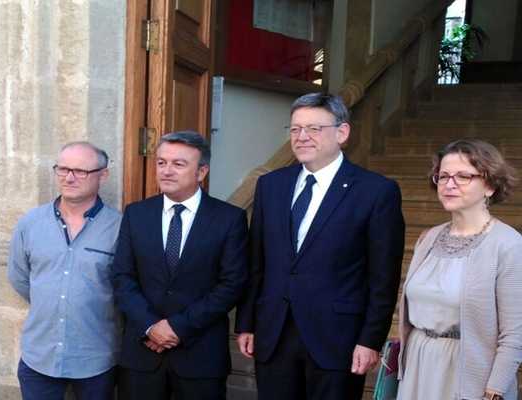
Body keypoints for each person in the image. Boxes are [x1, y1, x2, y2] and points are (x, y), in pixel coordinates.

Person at [235, 93, 405, 400]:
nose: (302, 137)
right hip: (274, 333)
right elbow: (257, 262)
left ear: (342, 132)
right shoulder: (271, 185)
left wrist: (370, 340)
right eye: (295, 129)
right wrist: (246, 323)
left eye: (314, 128)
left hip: (337, 338)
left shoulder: (376, 191)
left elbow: (383, 277)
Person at [112, 131, 248, 400]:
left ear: (201, 172)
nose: (166, 171)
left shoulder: (229, 219)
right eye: (161, 162)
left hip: (200, 355)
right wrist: (151, 326)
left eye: (178, 164)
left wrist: (177, 327)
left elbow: (232, 284)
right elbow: (122, 277)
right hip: (142, 354)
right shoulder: (136, 213)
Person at [397, 139, 522, 400]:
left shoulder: (508, 245)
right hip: (419, 366)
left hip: (468, 375)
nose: (449, 184)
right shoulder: (428, 238)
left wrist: (494, 392)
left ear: (490, 185)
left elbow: (515, 335)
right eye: (443, 176)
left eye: (463, 176)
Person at [8, 141, 121, 400]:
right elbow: (19, 276)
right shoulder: (30, 223)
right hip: (40, 356)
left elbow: (123, 288)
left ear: (103, 175)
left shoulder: (119, 227)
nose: (69, 178)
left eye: (80, 171)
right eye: (62, 169)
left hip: (95, 358)